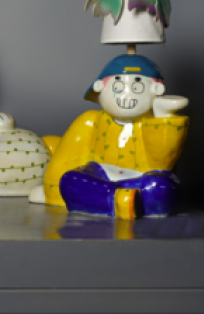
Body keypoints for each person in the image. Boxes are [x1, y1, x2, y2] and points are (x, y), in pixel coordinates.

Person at [29, 54, 188, 219]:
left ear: (156, 90)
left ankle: (114, 199)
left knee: (162, 186)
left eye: (137, 88)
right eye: (118, 86)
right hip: (100, 175)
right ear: (100, 88)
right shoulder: (91, 121)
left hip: (139, 181)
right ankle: (123, 200)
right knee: (71, 180)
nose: (127, 95)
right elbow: (64, 159)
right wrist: (51, 190)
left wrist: (164, 116)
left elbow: (161, 164)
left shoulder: (151, 123)